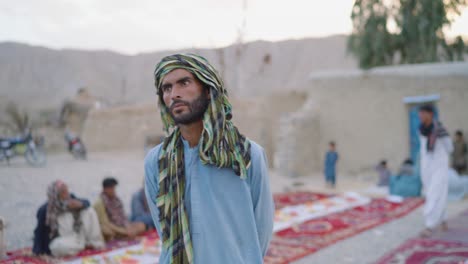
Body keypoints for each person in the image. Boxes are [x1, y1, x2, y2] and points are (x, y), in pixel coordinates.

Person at [145, 54, 274, 264]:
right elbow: (165, 233)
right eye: (166, 88)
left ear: (207, 90)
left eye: (184, 83)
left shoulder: (246, 155)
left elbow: (261, 231)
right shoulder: (156, 161)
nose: (174, 94)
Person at [32, 180, 104, 257]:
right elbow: (39, 231)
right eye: (63, 191)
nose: (67, 193)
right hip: (63, 240)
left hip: (78, 235)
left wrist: (81, 204)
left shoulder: (71, 199)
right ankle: (82, 246)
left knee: (89, 211)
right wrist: (37, 251)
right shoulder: (46, 210)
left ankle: (91, 242)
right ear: (56, 194)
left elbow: (87, 202)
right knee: (57, 247)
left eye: (67, 190)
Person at [418, 104, 453, 237]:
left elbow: (449, 148)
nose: (421, 116)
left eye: (423, 113)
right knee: (430, 192)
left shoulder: (440, 129)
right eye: (419, 113)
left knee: (435, 192)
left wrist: (441, 159)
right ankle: (443, 219)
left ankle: (430, 225)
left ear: (430, 114)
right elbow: (423, 148)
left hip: (439, 165)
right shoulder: (421, 129)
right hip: (427, 166)